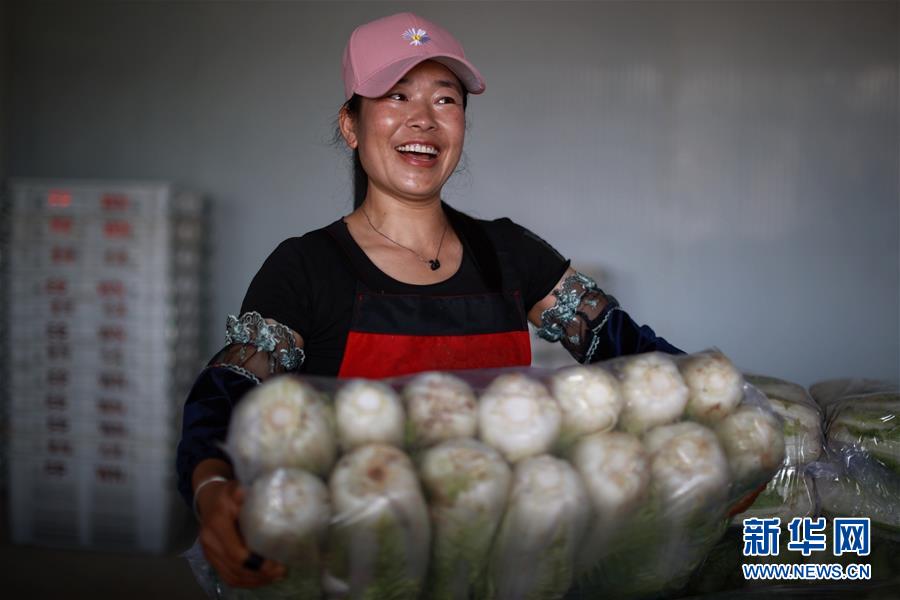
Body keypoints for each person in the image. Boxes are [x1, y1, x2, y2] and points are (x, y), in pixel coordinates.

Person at [177, 12, 682, 589]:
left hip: (500, 567)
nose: (423, 119)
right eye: (397, 95)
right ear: (350, 125)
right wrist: (212, 487)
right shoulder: (306, 266)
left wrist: (717, 403)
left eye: (446, 100)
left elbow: (628, 349)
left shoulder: (508, 252)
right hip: (356, 571)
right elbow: (228, 392)